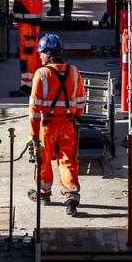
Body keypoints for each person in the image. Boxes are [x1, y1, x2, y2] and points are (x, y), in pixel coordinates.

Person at [27, 33, 86, 216]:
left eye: (41, 53)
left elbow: (34, 109)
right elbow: (81, 102)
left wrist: (34, 135)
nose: (40, 56)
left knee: (43, 160)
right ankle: (71, 199)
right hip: (68, 124)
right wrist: (74, 116)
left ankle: (44, 193)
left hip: (48, 125)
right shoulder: (74, 72)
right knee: (68, 161)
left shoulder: (41, 74)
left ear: (48, 54)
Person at [9, 0, 45, 97]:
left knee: (28, 56)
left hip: (29, 24)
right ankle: (36, 84)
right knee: (30, 54)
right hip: (26, 22)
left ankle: (27, 86)